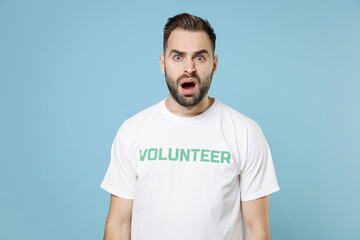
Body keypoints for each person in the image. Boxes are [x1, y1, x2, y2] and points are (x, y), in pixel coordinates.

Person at [100, 13, 280, 240]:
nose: (189, 68)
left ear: (214, 64)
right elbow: (118, 225)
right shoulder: (132, 131)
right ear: (162, 63)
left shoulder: (245, 133)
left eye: (199, 58)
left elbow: (257, 230)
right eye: (178, 57)